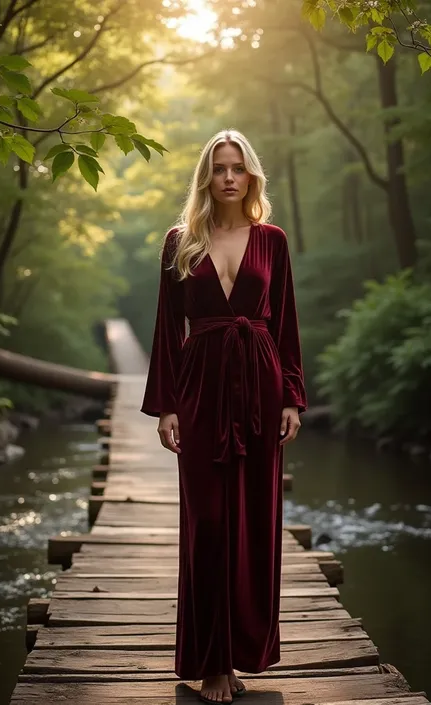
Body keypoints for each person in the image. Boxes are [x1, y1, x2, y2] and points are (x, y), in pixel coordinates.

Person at [140, 129, 307, 703]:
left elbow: (284, 323)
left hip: (260, 390)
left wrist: (291, 396)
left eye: (238, 167)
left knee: (253, 526)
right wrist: (165, 406)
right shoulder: (180, 241)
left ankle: (238, 655)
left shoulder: (273, 241)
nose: (229, 177)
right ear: (206, 177)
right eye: (219, 168)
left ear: (252, 175)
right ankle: (210, 662)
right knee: (208, 524)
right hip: (201, 388)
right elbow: (167, 329)